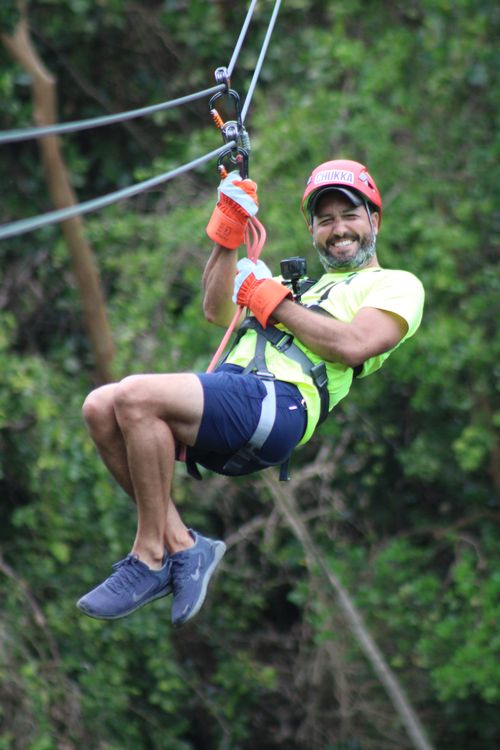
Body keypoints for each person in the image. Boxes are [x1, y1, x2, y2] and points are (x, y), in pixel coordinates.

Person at [76, 158, 425, 628]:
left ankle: (149, 554)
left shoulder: (395, 285)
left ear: (374, 221)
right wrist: (228, 229)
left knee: (136, 395)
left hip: (280, 404)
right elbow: (217, 308)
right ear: (312, 230)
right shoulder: (292, 286)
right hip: (238, 395)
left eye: (350, 216)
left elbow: (353, 344)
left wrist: (267, 300)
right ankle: (183, 545)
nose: (338, 229)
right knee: (100, 407)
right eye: (326, 220)